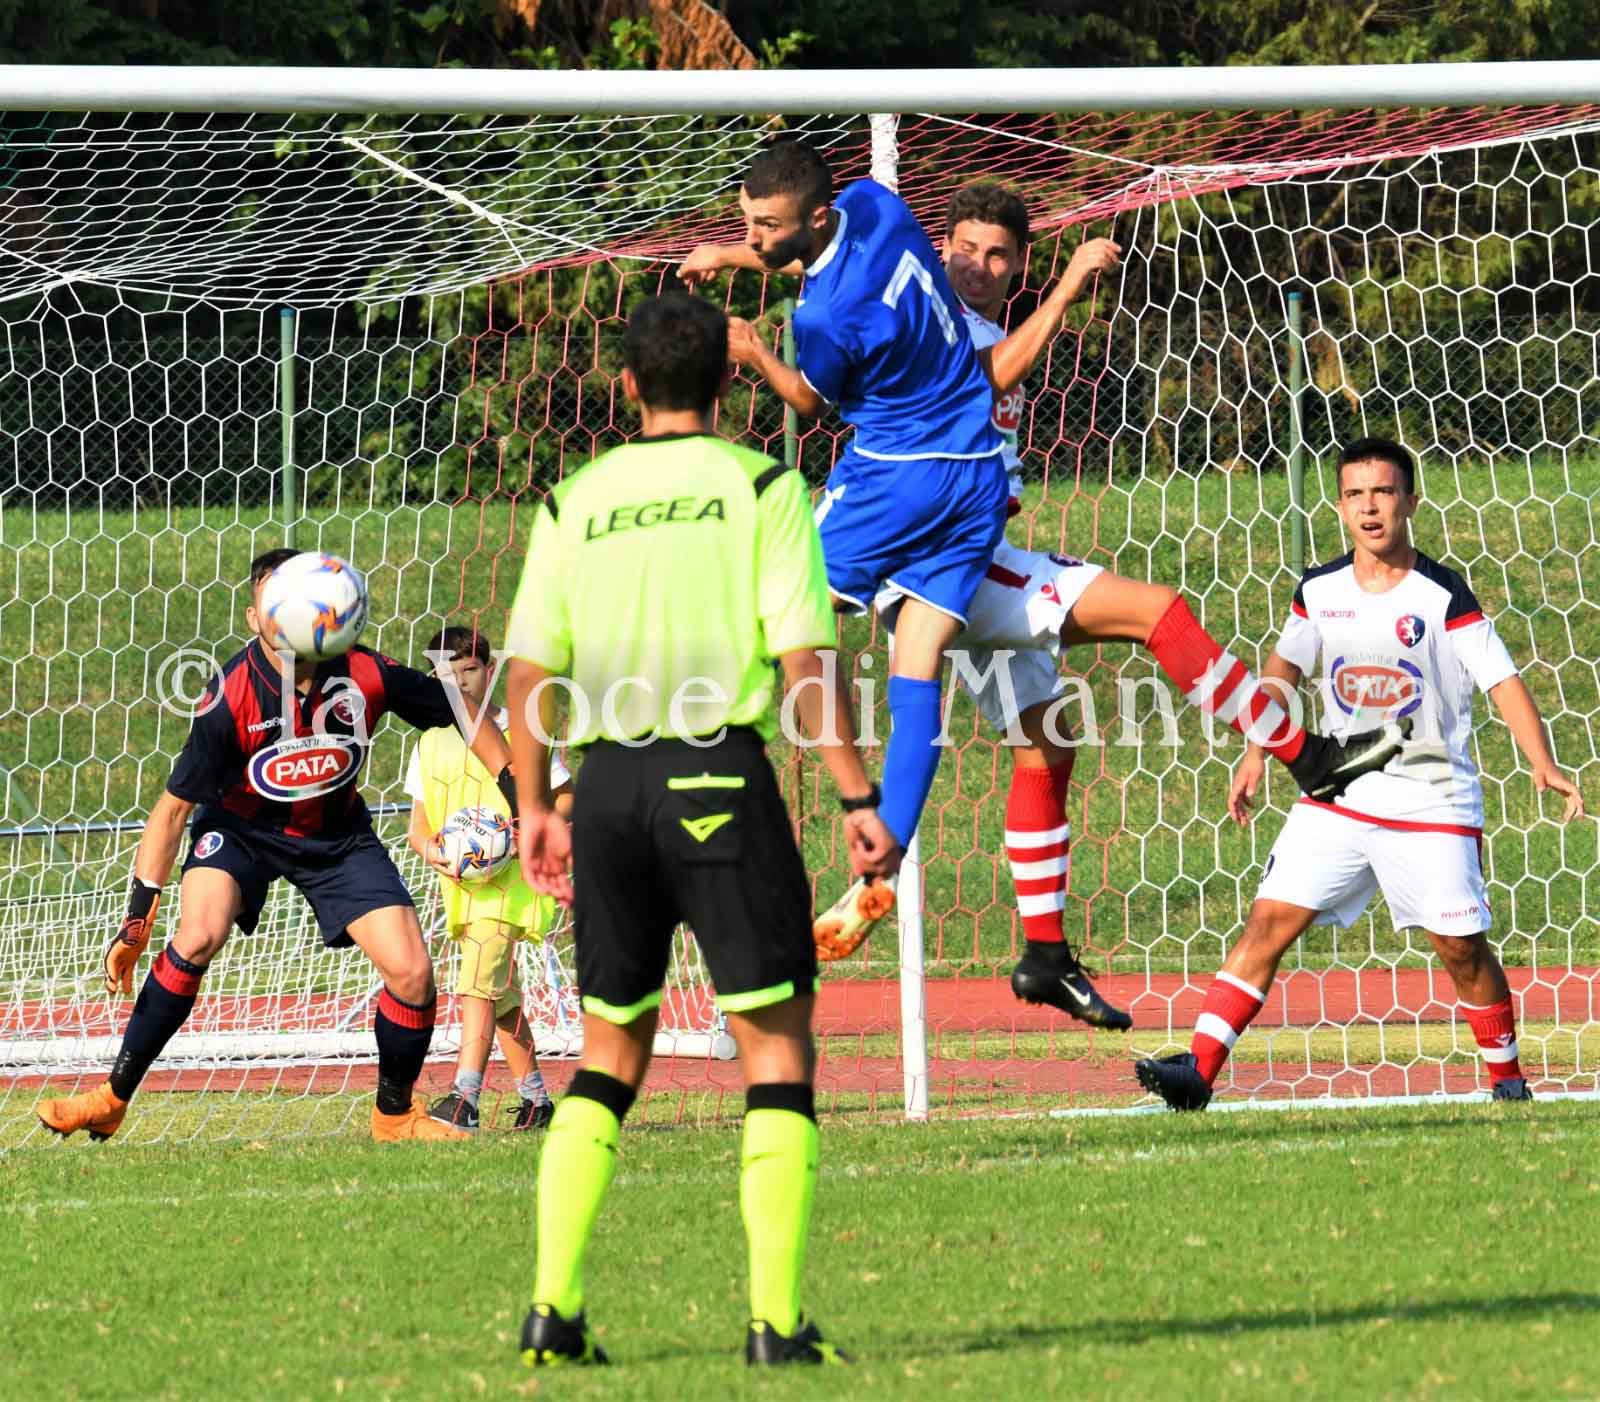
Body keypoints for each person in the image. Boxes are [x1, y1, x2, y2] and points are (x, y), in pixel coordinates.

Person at [683, 180, 1410, 1027]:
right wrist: (1064, 290)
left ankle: (1042, 954)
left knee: (1046, 743)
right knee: (1155, 612)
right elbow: (981, 368)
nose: (977, 266)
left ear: (1016, 263)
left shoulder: (913, 294)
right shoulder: (942, 323)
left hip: (957, 540)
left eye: (997, 256)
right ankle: (1306, 756)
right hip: (956, 547)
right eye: (964, 249)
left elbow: (827, 253)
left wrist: (733, 254)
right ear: (940, 250)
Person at [503, 291, 897, 1368]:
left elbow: (529, 672)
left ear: (627, 385)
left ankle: (552, 1311)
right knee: (775, 1050)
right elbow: (805, 662)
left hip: (607, 790)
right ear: (727, 382)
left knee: (607, 1054)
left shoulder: (574, 498)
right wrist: (857, 797)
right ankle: (775, 1323)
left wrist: (536, 805)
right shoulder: (761, 486)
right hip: (717, 775)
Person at [1135, 437, 1586, 1109]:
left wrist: (1542, 763)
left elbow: (1503, 681)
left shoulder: (1443, 595)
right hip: (1339, 792)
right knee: (1267, 923)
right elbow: (1283, 672)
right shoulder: (1318, 591)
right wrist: (1257, 750)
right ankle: (1196, 1074)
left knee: (1460, 949)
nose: (1369, 507)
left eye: (1383, 492)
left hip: (1432, 798)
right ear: (1341, 506)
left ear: (1410, 501)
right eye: (1355, 495)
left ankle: (1508, 1082)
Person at [37, 549, 519, 1144]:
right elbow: (172, 811)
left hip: (336, 837)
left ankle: (394, 1116)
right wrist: (137, 923)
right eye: (272, 603)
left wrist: (516, 791)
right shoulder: (230, 695)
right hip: (240, 832)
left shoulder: (366, 671)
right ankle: (112, 1097)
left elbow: (463, 710)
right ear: (255, 617)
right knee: (198, 935)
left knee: (413, 973)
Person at [680, 136, 1006, 924]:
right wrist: (730, 253)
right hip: (977, 469)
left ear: (817, 217)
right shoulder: (875, 202)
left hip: (897, 477)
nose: (755, 235)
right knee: (917, 666)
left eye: (765, 225)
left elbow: (808, 402)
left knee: (773, 618)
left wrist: (755, 350)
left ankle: (705, 811)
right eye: (747, 220)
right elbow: (800, 252)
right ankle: (880, 865)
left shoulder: (825, 317)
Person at [403, 624, 573, 1133]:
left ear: (491, 670)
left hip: (512, 887)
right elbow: (417, 827)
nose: (459, 681)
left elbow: (566, 798)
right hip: (464, 889)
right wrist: (433, 849)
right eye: (446, 674)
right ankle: (537, 1101)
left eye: (469, 670)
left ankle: (465, 1099)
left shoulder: (521, 733)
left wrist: (529, 829)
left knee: (477, 984)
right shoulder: (430, 742)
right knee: (500, 996)